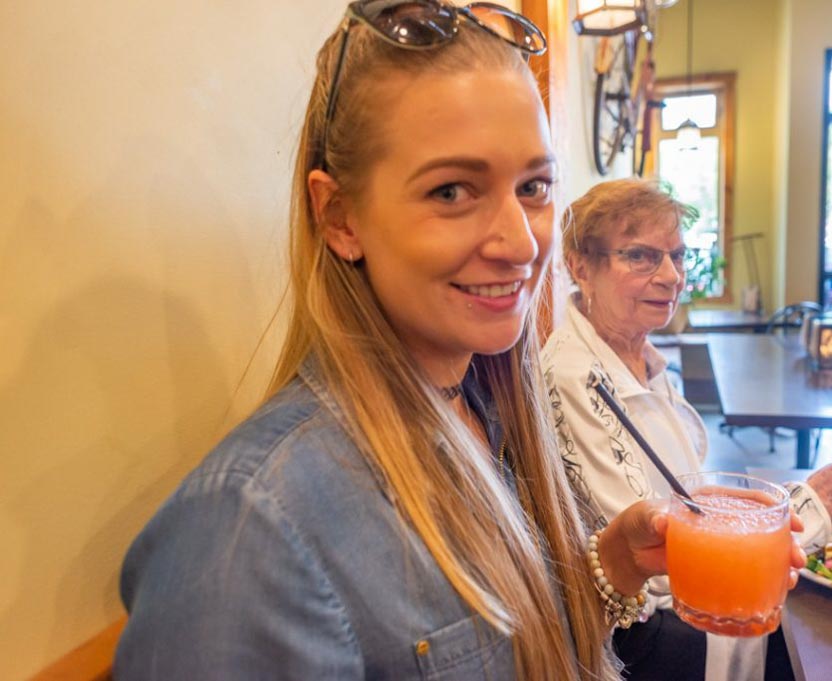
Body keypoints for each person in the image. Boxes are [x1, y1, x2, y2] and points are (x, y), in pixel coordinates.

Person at [113, 5, 688, 679]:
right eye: (451, 190)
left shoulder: (489, 406)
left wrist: (614, 560)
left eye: (531, 186)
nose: (521, 243)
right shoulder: (252, 528)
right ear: (340, 217)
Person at [540, 177, 832, 681]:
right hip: (651, 649)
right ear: (580, 265)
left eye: (678, 255)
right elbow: (657, 576)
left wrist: (803, 502)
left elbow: (692, 501)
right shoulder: (575, 379)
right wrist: (820, 498)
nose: (672, 275)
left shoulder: (643, 360)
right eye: (641, 257)